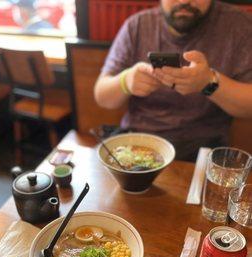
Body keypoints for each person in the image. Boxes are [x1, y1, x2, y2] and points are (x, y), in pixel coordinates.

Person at [94, 0, 252, 160]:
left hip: (203, 149)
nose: (184, 1)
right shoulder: (137, 26)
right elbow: (102, 96)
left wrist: (209, 83)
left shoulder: (239, 25)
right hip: (137, 142)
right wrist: (125, 81)